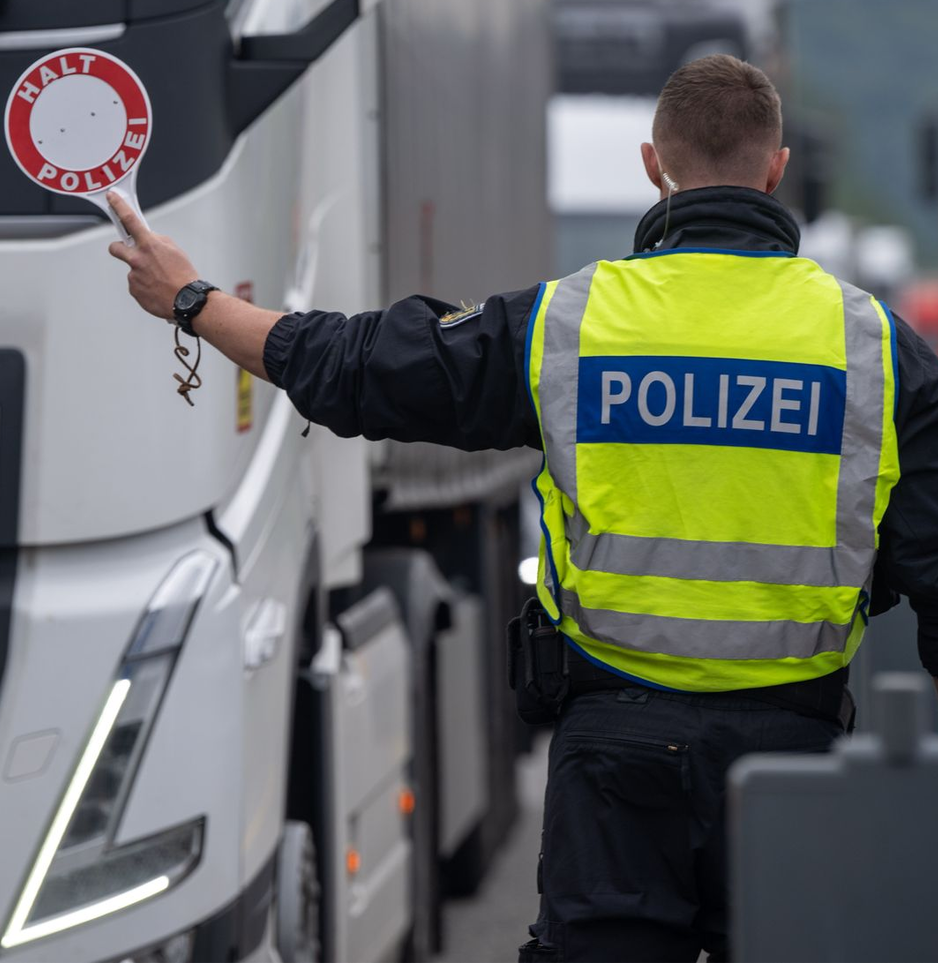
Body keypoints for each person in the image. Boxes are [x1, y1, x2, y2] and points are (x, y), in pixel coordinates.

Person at [106, 54, 938, 962]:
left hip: (615, 761)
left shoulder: (569, 326)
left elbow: (358, 368)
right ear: (775, 169)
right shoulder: (877, 349)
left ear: (654, 165)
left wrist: (193, 301)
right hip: (797, 762)